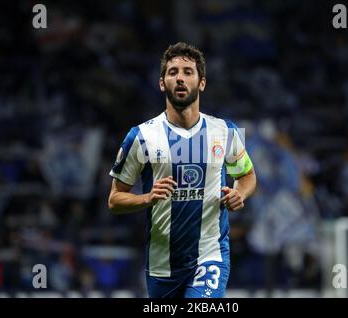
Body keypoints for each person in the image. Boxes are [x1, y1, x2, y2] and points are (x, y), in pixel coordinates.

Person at [108, 42, 256, 298]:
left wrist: (239, 193)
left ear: (202, 83)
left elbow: (247, 176)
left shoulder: (225, 132)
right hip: (162, 265)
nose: (180, 78)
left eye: (188, 72)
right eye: (173, 72)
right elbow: (114, 199)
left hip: (210, 256)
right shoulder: (141, 136)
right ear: (162, 83)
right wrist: (147, 197)